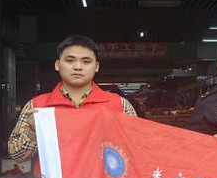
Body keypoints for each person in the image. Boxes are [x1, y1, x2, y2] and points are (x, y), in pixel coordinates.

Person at [8, 35, 137, 164]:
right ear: (57, 65)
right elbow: (17, 156)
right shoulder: (37, 107)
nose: (78, 67)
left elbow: (136, 152)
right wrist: (33, 132)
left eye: (86, 61)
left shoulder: (120, 105)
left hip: (103, 177)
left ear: (96, 66)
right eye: (70, 60)